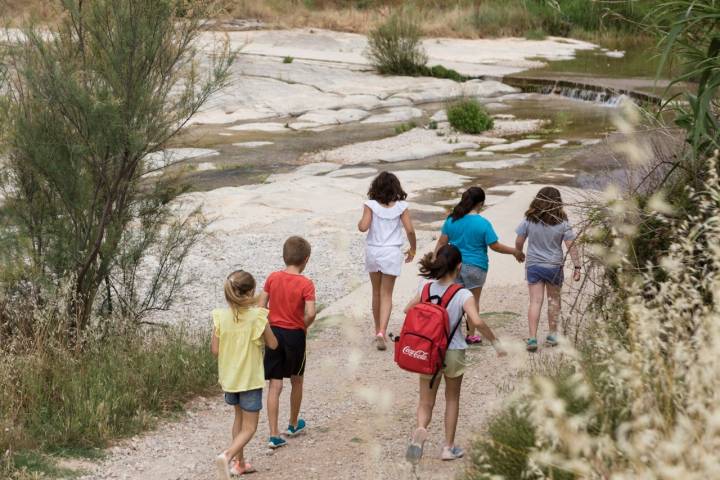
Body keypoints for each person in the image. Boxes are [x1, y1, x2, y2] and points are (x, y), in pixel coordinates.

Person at [404, 245, 507, 463]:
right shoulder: (463, 294)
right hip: (453, 351)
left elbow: (407, 310)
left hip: (429, 352)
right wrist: (495, 342)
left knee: (425, 401)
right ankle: (448, 448)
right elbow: (476, 321)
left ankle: (420, 429)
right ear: (459, 267)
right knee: (452, 398)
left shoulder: (425, 287)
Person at [435, 186, 524, 345]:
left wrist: (436, 261)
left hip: (453, 265)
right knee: (472, 301)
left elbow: (442, 242)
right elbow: (494, 246)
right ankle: (470, 335)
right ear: (481, 203)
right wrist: (515, 252)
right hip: (476, 266)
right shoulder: (483, 223)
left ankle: (450, 333)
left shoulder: (452, 220)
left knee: (453, 299)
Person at [212, 270, 278, 479]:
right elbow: (273, 344)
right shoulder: (257, 317)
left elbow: (215, 350)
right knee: (250, 427)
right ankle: (228, 455)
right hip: (249, 380)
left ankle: (240, 464)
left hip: (230, 380)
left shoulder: (220, 317)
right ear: (250, 292)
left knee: (238, 420)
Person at [258, 236, 316, 449]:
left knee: (275, 384)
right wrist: (303, 325)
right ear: (306, 260)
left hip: (274, 334)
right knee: (297, 379)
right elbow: (311, 312)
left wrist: (266, 327)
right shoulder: (306, 284)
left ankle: (273, 434)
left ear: (284, 256)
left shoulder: (272, 278)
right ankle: (292, 424)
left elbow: (261, 305)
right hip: (295, 336)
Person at [515, 186, 581, 352]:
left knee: (535, 301)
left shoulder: (528, 220)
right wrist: (577, 266)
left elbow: (519, 241)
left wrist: (519, 253)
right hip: (554, 266)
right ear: (558, 202)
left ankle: (532, 338)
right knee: (553, 301)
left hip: (534, 265)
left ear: (538, 199)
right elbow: (571, 245)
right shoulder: (563, 222)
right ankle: (552, 335)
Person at [358, 171, 417, 351]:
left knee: (376, 292)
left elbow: (363, 227)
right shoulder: (401, 207)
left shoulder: (370, 205)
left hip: (374, 252)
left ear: (375, 187)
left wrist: (364, 218)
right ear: (396, 188)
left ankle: (377, 330)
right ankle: (382, 331)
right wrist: (413, 248)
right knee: (387, 294)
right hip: (391, 252)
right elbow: (410, 231)